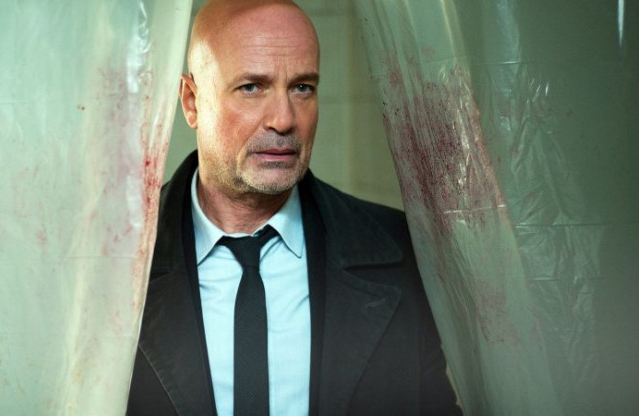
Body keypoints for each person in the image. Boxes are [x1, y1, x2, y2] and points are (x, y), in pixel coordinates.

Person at [127, 1, 461, 415]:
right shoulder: (114, 264)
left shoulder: (401, 250)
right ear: (192, 102)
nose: (284, 120)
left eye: (302, 87)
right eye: (252, 87)